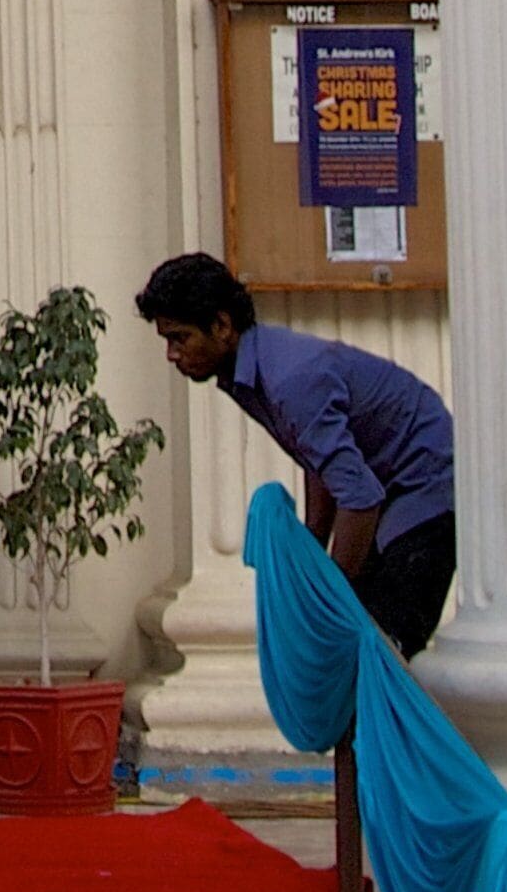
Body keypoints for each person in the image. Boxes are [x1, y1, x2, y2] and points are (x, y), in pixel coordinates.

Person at [134, 252, 456, 658]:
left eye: (179, 337)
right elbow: (320, 462)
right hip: (390, 490)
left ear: (221, 325)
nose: (171, 354)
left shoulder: (289, 378)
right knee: (358, 651)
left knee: (380, 654)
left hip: (426, 489)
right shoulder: (253, 367)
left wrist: (329, 596)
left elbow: (359, 496)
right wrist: (312, 552)